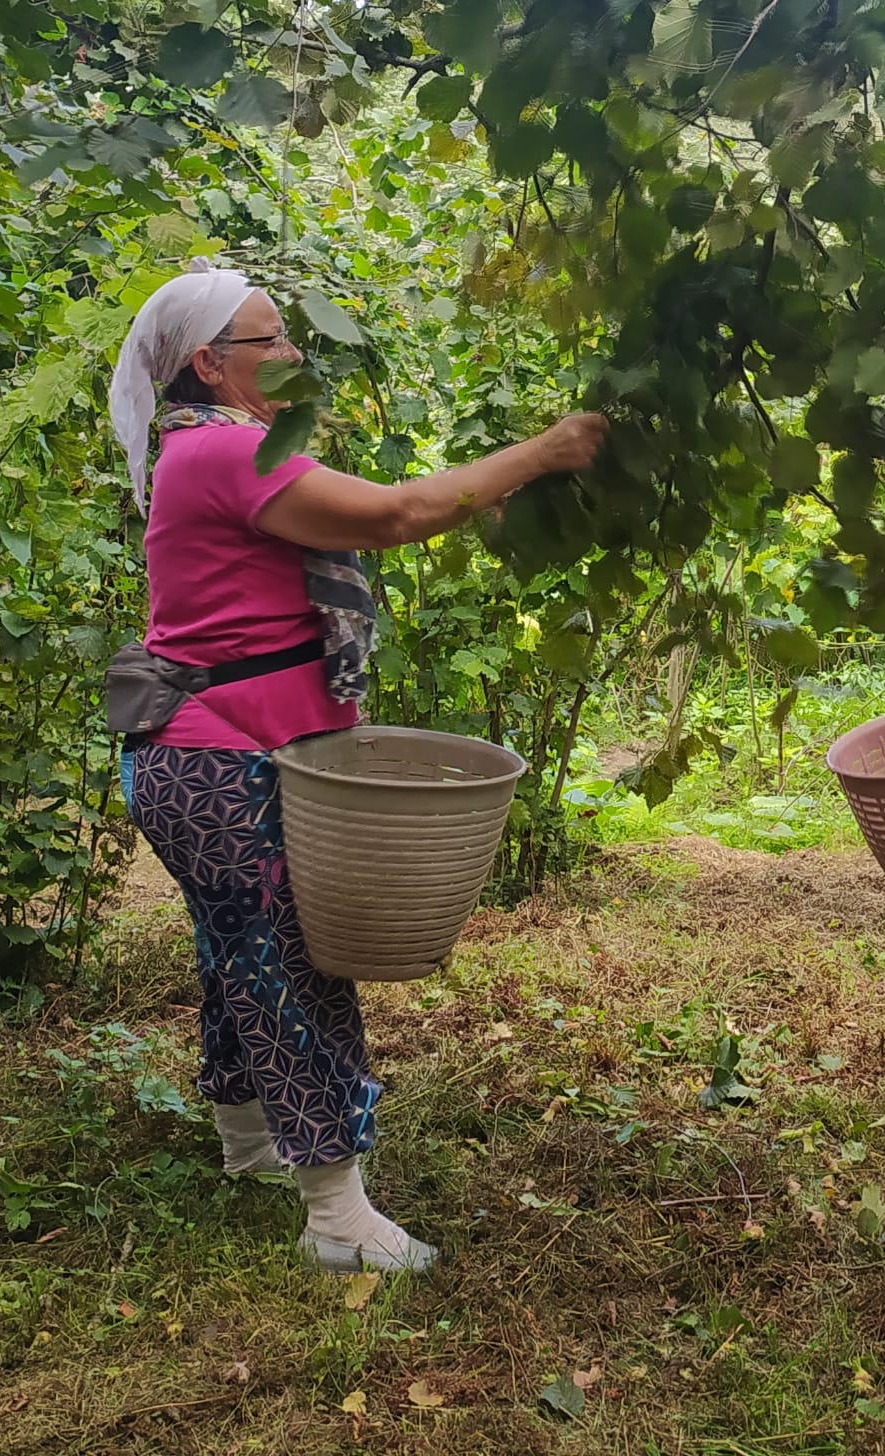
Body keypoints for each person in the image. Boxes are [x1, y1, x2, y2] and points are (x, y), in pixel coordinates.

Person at [106, 262, 607, 1271]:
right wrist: (547, 451)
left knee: (237, 952)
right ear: (209, 363)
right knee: (291, 964)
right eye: (268, 339)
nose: (292, 353)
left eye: (290, 333)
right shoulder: (224, 451)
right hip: (217, 754)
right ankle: (336, 1214)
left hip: (205, 750)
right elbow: (395, 514)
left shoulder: (217, 445)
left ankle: (247, 1144)